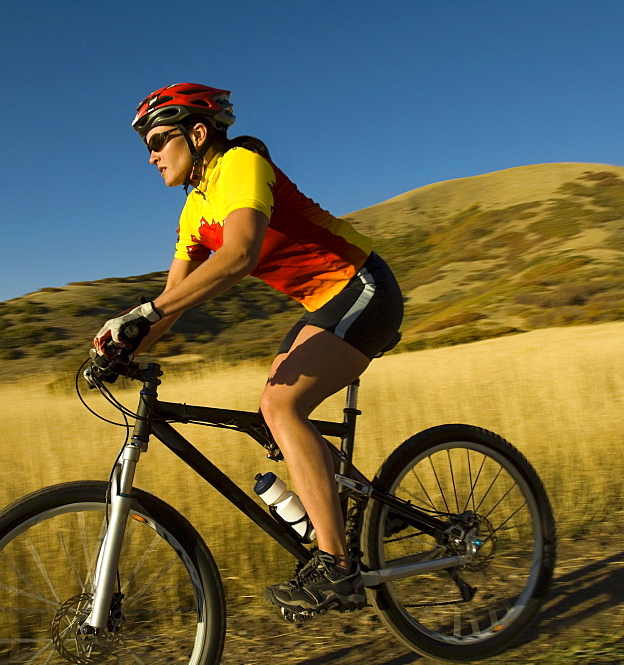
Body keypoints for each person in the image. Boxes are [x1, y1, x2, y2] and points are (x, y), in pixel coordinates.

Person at [93, 83, 403, 615]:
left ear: (197, 133)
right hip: (323, 305)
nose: (151, 154)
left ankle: (338, 568)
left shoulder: (240, 163)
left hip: (362, 287)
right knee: (271, 413)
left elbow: (237, 256)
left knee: (283, 407)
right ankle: (371, 508)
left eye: (160, 139)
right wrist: (123, 343)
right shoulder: (194, 210)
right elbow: (175, 300)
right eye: (147, 144)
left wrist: (143, 316)